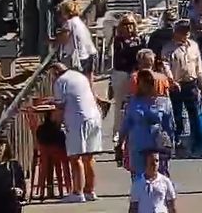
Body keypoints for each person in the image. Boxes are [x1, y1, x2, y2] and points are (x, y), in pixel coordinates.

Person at [51, 62, 102, 203]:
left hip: (77, 120)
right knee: (89, 156)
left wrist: (56, 123)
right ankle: (90, 190)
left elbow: (60, 107)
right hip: (93, 117)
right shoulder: (79, 76)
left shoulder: (60, 82)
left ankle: (77, 192)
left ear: (55, 72)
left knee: (75, 157)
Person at [118, 70, 175, 177]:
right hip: (138, 143)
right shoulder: (132, 102)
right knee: (139, 176)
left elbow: (169, 125)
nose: (145, 85)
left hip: (157, 143)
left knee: (159, 176)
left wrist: (171, 143)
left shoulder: (164, 102)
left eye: (149, 81)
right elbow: (126, 123)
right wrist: (120, 143)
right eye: (142, 81)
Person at [161, 20, 202, 154]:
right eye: (182, 31)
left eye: (187, 30)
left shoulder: (194, 46)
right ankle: (177, 140)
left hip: (191, 83)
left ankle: (197, 141)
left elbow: (199, 66)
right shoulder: (168, 48)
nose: (186, 33)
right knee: (177, 114)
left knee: (195, 114)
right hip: (176, 85)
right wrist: (171, 80)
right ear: (176, 32)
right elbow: (166, 66)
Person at [111, 13, 145, 140]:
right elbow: (121, 57)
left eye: (131, 24)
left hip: (135, 73)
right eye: (125, 24)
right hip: (121, 73)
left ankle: (133, 130)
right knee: (119, 104)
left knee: (135, 102)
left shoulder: (139, 39)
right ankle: (117, 132)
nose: (128, 27)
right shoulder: (118, 40)